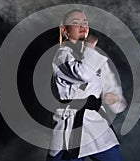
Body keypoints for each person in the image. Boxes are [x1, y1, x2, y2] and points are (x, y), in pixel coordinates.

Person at [47, 9, 128, 161]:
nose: (82, 26)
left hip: (95, 123)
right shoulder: (63, 55)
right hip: (70, 124)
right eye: (76, 23)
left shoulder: (97, 58)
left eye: (85, 22)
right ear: (65, 30)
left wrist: (112, 99)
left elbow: (113, 89)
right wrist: (90, 48)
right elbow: (83, 74)